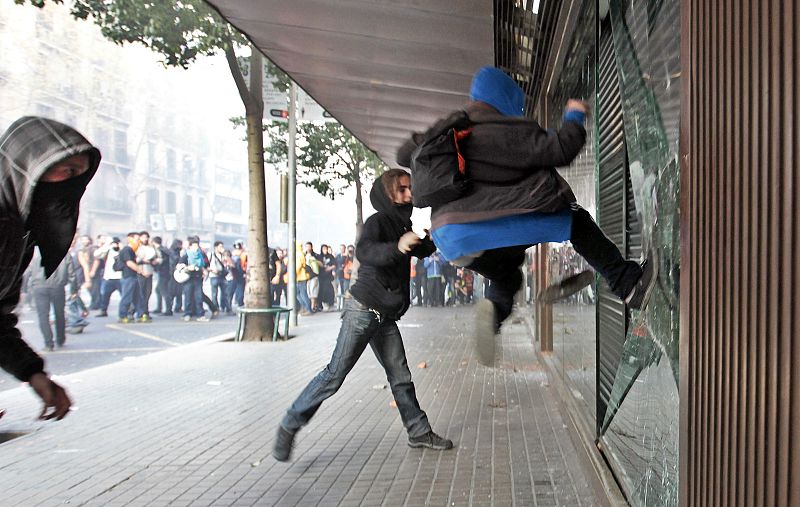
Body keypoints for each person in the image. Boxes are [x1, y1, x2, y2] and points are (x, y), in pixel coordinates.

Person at [397, 66, 656, 365]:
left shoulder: (451, 131)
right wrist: (573, 115)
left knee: (508, 271)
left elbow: (404, 153)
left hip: (450, 237)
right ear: (506, 97)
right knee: (576, 221)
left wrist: (432, 133)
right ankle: (628, 284)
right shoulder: (508, 130)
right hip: (493, 219)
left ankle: (494, 311)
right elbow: (562, 149)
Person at [273, 169, 453, 462]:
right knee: (334, 375)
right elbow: (367, 252)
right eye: (402, 189)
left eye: (410, 189)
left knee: (401, 376)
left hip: (384, 317)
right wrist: (398, 246)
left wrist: (434, 234)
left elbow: (424, 248)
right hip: (363, 311)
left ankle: (418, 432)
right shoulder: (379, 222)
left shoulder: (401, 225)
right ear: (388, 194)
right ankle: (289, 425)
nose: (409, 194)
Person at [0, 116, 101, 420]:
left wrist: (33, 373)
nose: (73, 184)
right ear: (31, 166)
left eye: (80, 175)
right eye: (68, 171)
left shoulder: (18, 235)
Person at [27, 250, 71, 351]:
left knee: (43, 316)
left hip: (39, 286)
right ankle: (60, 339)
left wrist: (24, 288)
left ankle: (48, 343)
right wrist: (75, 289)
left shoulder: (34, 252)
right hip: (58, 286)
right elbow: (71, 271)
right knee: (59, 314)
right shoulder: (63, 251)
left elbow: (27, 271)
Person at [96, 236, 122, 317]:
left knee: (125, 295)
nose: (115, 245)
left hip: (120, 277)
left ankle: (128, 311)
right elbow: (96, 254)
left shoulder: (122, 251)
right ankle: (103, 310)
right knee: (105, 295)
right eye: (113, 243)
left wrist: (121, 247)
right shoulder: (108, 251)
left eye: (116, 243)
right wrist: (107, 245)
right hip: (109, 277)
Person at [208, 241, 230, 315]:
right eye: (220, 247)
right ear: (216, 247)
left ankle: (227, 308)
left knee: (225, 293)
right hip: (214, 276)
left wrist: (226, 257)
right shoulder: (211, 254)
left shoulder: (223, 255)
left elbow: (228, 264)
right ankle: (215, 308)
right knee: (214, 294)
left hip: (222, 276)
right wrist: (212, 270)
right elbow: (206, 265)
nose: (222, 248)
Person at [151, 236, 172, 315]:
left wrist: (156, 263)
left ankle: (168, 309)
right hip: (164, 272)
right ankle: (159, 308)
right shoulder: (164, 249)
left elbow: (162, 260)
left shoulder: (160, 250)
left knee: (164, 291)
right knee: (158, 290)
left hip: (164, 272)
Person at [318, 244, 337, 311]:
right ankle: (322, 305)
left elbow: (335, 264)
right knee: (321, 291)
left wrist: (330, 268)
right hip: (321, 276)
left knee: (330, 290)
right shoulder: (319, 256)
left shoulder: (330, 256)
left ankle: (331, 304)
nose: (325, 250)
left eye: (326, 249)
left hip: (328, 277)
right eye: (323, 249)